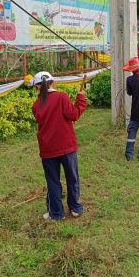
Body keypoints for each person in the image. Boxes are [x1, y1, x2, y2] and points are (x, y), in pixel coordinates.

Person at [31, 71, 86, 220]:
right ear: (52, 83)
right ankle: (75, 207)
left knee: (53, 181)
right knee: (72, 178)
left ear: (37, 87)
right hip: (67, 146)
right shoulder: (62, 97)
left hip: (48, 149)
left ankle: (56, 213)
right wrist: (80, 99)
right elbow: (73, 115)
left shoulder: (36, 105)